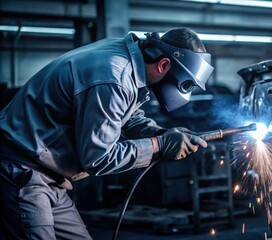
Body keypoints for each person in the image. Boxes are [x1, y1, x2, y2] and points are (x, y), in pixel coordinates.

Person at [0, 27, 213, 239]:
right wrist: (159, 145)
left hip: (51, 176)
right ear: (164, 65)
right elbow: (98, 158)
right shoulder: (113, 77)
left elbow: (126, 116)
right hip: (21, 170)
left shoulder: (126, 56)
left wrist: (164, 133)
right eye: (185, 85)